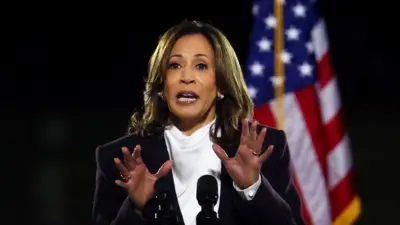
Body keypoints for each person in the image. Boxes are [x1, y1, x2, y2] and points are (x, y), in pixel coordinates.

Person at [92, 20, 305, 225]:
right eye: (175, 65)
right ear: (161, 85)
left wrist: (253, 187)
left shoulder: (265, 147)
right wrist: (136, 208)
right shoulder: (120, 158)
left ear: (221, 84)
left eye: (201, 66)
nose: (187, 77)